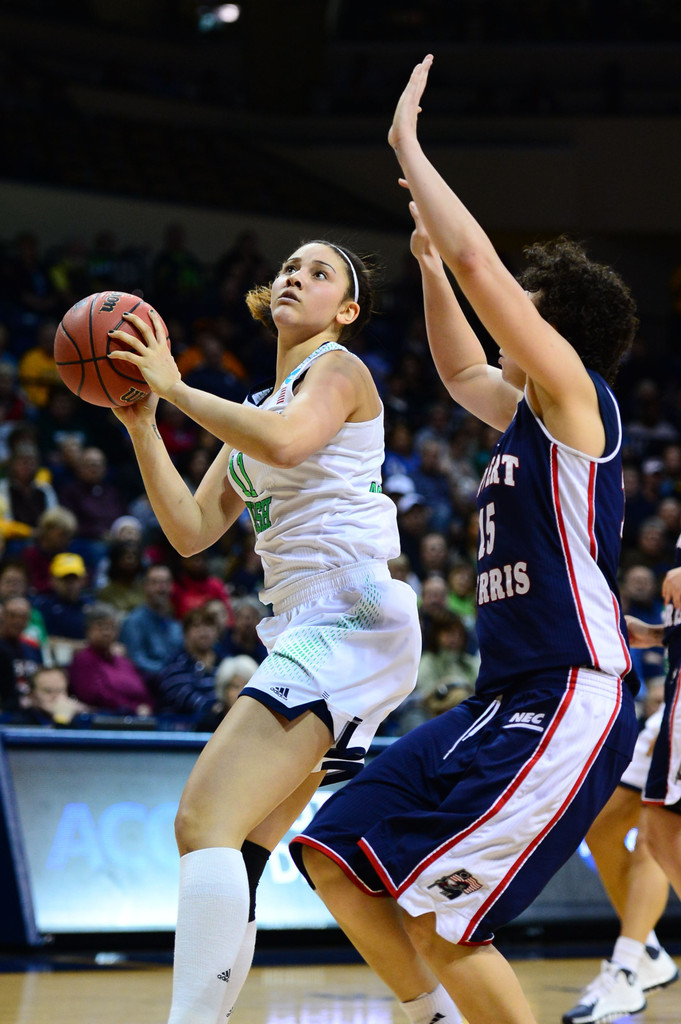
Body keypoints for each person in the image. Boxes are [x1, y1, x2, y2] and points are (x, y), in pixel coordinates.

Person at [289, 56, 640, 1024]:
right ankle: (427, 1015)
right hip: (506, 694)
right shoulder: (520, 411)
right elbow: (457, 368)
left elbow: (492, 276)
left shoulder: (575, 400)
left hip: (572, 690)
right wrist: (432, 269)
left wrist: (410, 147)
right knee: (335, 847)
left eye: (525, 310)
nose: (504, 316)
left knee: (450, 918)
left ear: (551, 328)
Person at [107, 235, 420, 1024]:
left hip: (347, 610)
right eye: (289, 267)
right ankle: (437, 1013)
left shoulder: (339, 370)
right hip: (311, 626)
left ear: (344, 311)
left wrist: (174, 386)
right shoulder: (252, 408)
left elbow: (288, 444)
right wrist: (143, 421)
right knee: (238, 851)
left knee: (200, 819)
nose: (296, 277)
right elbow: (189, 531)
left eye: (319, 273)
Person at [68, 601, 155, 717]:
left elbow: (143, 691)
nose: (106, 632)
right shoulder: (83, 660)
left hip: (137, 718)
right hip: (101, 720)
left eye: (111, 627)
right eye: (100, 626)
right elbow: (94, 695)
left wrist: (147, 706)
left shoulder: (123, 661)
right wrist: (133, 708)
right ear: (88, 630)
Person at [118, 563, 184, 684]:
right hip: (150, 686)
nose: (161, 588)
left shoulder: (175, 623)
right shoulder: (134, 621)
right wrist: (172, 672)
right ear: (145, 587)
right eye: (155, 583)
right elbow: (135, 660)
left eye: (166, 583)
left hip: (176, 683)